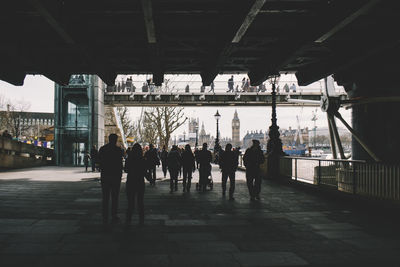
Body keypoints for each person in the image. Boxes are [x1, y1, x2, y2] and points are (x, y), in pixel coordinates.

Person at [98, 134, 124, 224]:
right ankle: (114, 214)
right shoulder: (118, 150)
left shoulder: (103, 149)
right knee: (115, 197)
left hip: (105, 175)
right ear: (116, 140)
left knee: (105, 197)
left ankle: (105, 215)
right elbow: (120, 164)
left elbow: (99, 161)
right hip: (115, 176)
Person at [124, 143, 146, 226]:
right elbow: (144, 171)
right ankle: (141, 220)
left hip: (131, 181)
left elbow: (126, 170)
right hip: (140, 181)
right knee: (140, 202)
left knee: (130, 203)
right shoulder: (142, 159)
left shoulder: (129, 159)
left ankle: (128, 220)